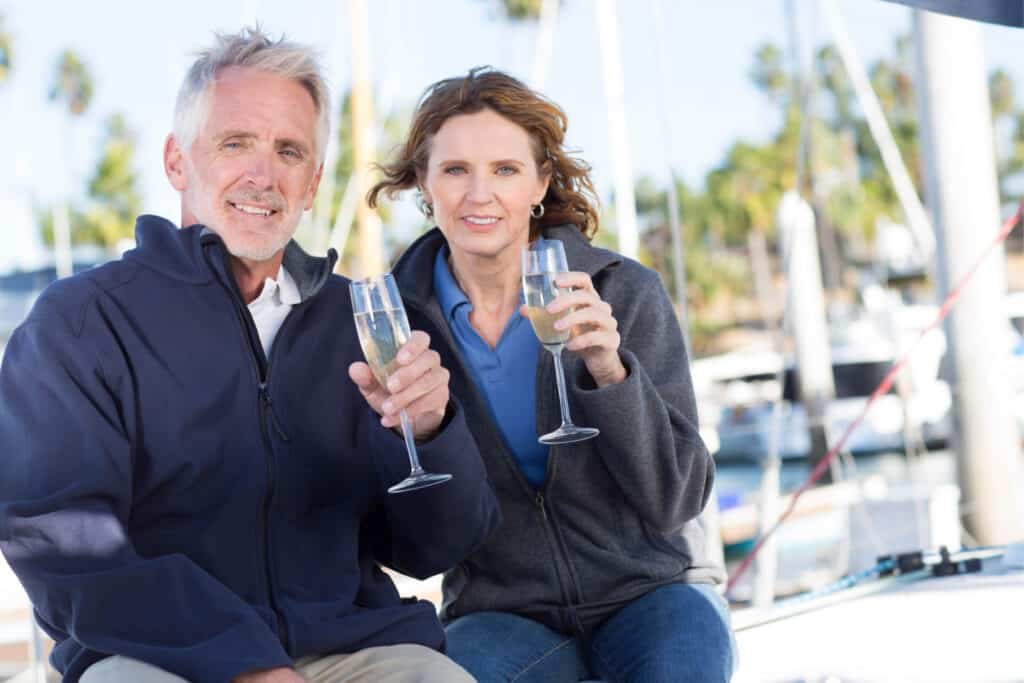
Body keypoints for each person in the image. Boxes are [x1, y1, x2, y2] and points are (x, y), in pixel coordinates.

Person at [0, 29, 500, 683]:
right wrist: (244, 663)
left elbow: (435, 546)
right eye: (235, 143)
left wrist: (433, 433)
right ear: (178, 162)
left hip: (345, 649)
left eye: (288, 150)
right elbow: (63, 542)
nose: (262, 174)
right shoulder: (82, 323)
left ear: (314, 181)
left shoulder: (362, 321)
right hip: (154, 656)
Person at [368, 67, 736, 683]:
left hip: (653, 592)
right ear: (425, 186)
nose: (478, 194)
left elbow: (677, 498)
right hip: (498, 612)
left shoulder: (623, 291)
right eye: (455, 170)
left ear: (540, 182)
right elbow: (416, 548)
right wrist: (426, 433)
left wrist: (610, 374)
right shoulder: (396, 327)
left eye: (505, 170)